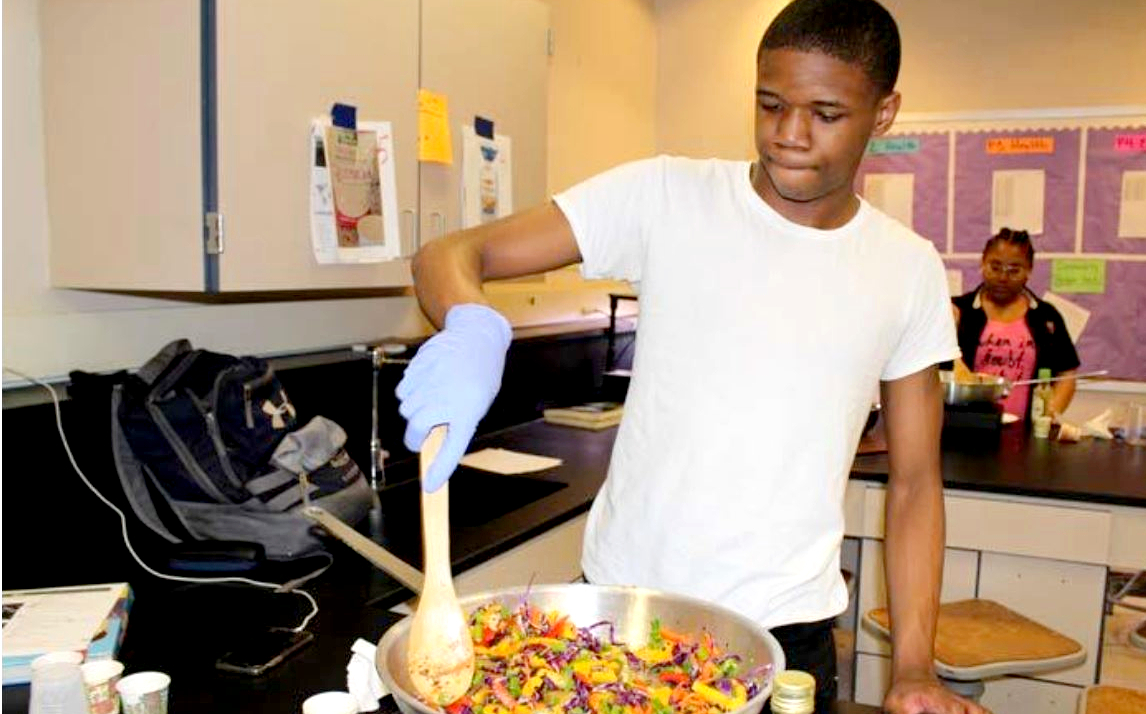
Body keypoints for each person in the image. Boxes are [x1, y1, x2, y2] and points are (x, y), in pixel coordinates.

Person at [396, 1, 987, 712]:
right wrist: (471, 326)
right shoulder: (666, 197)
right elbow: (453, 253)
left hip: (785, 644)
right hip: (621, 628)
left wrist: (915, 667)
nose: (790, 136)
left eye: (826, 115)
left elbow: (917, 485)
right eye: (770, 104)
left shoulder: (907, 269)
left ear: (884, 114)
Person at [952, 228, 1080, 419]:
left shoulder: (1046, 318)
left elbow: (1066, 376)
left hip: (1027, 437)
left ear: (1029, 270)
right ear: (982, 264)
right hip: (967, 427)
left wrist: (1048, 416)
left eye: (1014, 270)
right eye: (995, 267)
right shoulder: (958, 311)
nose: (1003, 278)